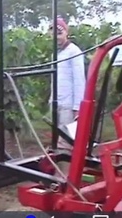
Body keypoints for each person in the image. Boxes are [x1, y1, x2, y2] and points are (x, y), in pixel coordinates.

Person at [48, 17, 86, 150]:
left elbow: (79, 80)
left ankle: (64, 171)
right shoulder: (57, 53)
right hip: (56, 103)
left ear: (66, 33)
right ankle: (57, 169)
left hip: (68, 105)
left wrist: (77, 108)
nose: (56, 37)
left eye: (59, 33)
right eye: (53, 34)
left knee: (65, 143)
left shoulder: (74, 52)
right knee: (55, 140)